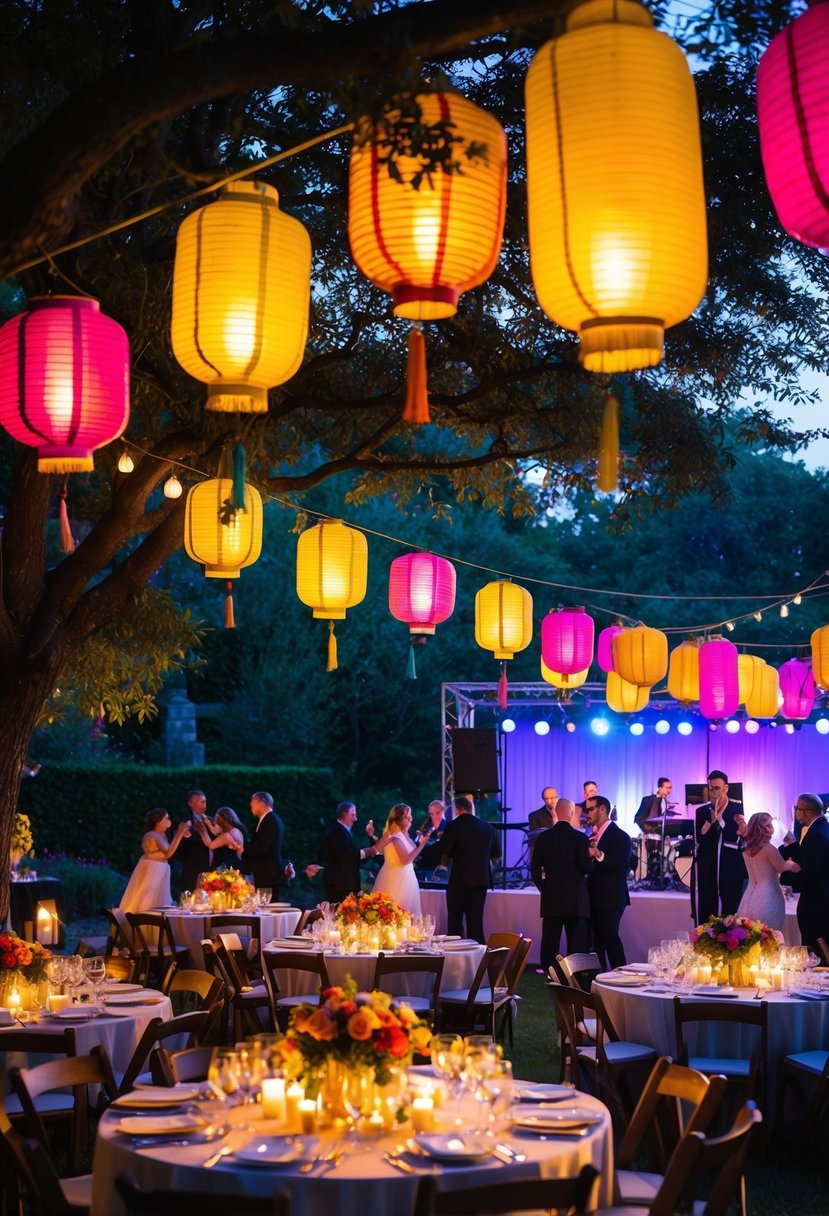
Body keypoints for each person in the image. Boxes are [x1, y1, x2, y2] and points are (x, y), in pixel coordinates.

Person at [531, 797, 592, 972]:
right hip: (576, 898)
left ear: (555, 812)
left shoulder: (543, 838)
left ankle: (549, 971)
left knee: (551, 940)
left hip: (552, 897)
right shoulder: (580, 838)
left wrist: (545, 888)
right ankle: (575, 972)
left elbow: (534, 871)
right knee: (576, 941)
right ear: (572, 813)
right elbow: (586, 867)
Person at [434, 795, 502, 942]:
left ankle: (455, 961)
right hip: (480, 881)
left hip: (458, 880)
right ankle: (478, 961)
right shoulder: (488, 828)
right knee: (476, 925)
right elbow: (497, 856)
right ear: (472, 809)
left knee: (455, 924)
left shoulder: (453, 826)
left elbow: (444, 850)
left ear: (459, 809)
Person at [693, 770, 746, 924]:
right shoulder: (702, 811)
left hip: (730, 866)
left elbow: (737, 836)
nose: (713, 792)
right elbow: (700, 839)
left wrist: (721, 822)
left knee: (730, 908)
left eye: (717, 788)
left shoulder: (736, 809)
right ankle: (705, 941)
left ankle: (730, 942)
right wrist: (709, 824)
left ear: (726, 788)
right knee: (706, 907)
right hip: (708, 865)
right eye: (710, 788)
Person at [780, 793, 829, 956]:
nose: (796, 812)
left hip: (816, 905)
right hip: (822, 901)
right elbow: (811, 858)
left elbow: (810, 874)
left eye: (797, 809)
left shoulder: (815, 835)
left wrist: (786, 876)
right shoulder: (823, 828)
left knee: (814, 952)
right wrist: (793, 845)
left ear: (806, 811)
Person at [585, 794, 631, 970]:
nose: (587, 814)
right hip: (594, 896)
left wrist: (598, 855)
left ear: (602, 809)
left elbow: (622, 868)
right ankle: (599, 979)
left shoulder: (620, 836)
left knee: (610, 937)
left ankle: (621, 973)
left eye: (591, 809)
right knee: (596, 941)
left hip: (612, 896)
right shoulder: (593, 836)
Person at [735, 812, 799, 931]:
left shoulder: (746, 849)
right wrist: (792, 864)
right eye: (769, 824)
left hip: (749, 894)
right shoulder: (769, 849)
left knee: (750, 934)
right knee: (769, 935)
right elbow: (781, 868)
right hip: (770, 895)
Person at [307, 802, 380, 903]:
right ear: (344, 814)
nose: (355, 816)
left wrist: (371, 839)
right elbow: (345, 856)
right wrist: (366, 852)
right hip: (339, 884)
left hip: (346, 883)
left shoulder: (347, 833)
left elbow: (357, 858)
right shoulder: (336, 833)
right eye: (353, 813)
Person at [118, 809, 190, 913]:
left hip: (161, 869)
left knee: (159, 900)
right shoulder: (151, 835)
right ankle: (143, 924)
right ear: (157, 821)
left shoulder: (161, 836)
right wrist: (179, 833)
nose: (169, 821)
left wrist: (180, 835)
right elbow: (168, 853)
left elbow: (168, 852)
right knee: (147, 898)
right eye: (166, 818)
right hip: (153, 870)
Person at [371, 803, 434, 916]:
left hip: (408, 877)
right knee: (396, 912)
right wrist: (422, 844)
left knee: (408, 914)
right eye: (407, 816)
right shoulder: (394, 836)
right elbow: (406, 860)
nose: (411, 818)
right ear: (398, 820)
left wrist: (419, 842)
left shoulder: (404, 834)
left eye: (410, 815)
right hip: (396, 879)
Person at [241, 791, 295, 890]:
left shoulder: (269, 821)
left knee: (267, 903)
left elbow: (261, 847)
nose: (250, 804)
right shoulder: (272, 819)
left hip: (267, 874)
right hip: (267, 872)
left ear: (261, 803)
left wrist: (242, 847)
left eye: (253, 801)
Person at [177, 789, 212, 892]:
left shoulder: (211, 821)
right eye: (202, 802)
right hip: (191, 869)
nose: (204, 805)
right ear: (190, 803)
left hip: (210, 868)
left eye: (205, 801)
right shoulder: (183, 822)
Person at [196, 806, 247, 870]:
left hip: (228, 867)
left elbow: (211, 845)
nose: (215, 822)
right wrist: (206, 822)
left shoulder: (230, 834)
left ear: (224, 821)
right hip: (231, 866)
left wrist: (203, 831)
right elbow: (215, 832)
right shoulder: (233, 831)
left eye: (217, 820)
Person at [415, 800, 448, 873]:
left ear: (443, 811)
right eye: (432, 814)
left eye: (438, 813)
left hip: (440, 870)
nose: (435, 816)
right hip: (424, 868)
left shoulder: (448, 827)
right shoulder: (427, 829)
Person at [528, 787, 557, 858]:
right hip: (546, 851)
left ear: (557, 797)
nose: (550, 801)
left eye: (552, 798)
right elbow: (535, 840)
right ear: (543, 799)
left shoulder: (566, 811)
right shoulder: (535, 816)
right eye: (547, 799)